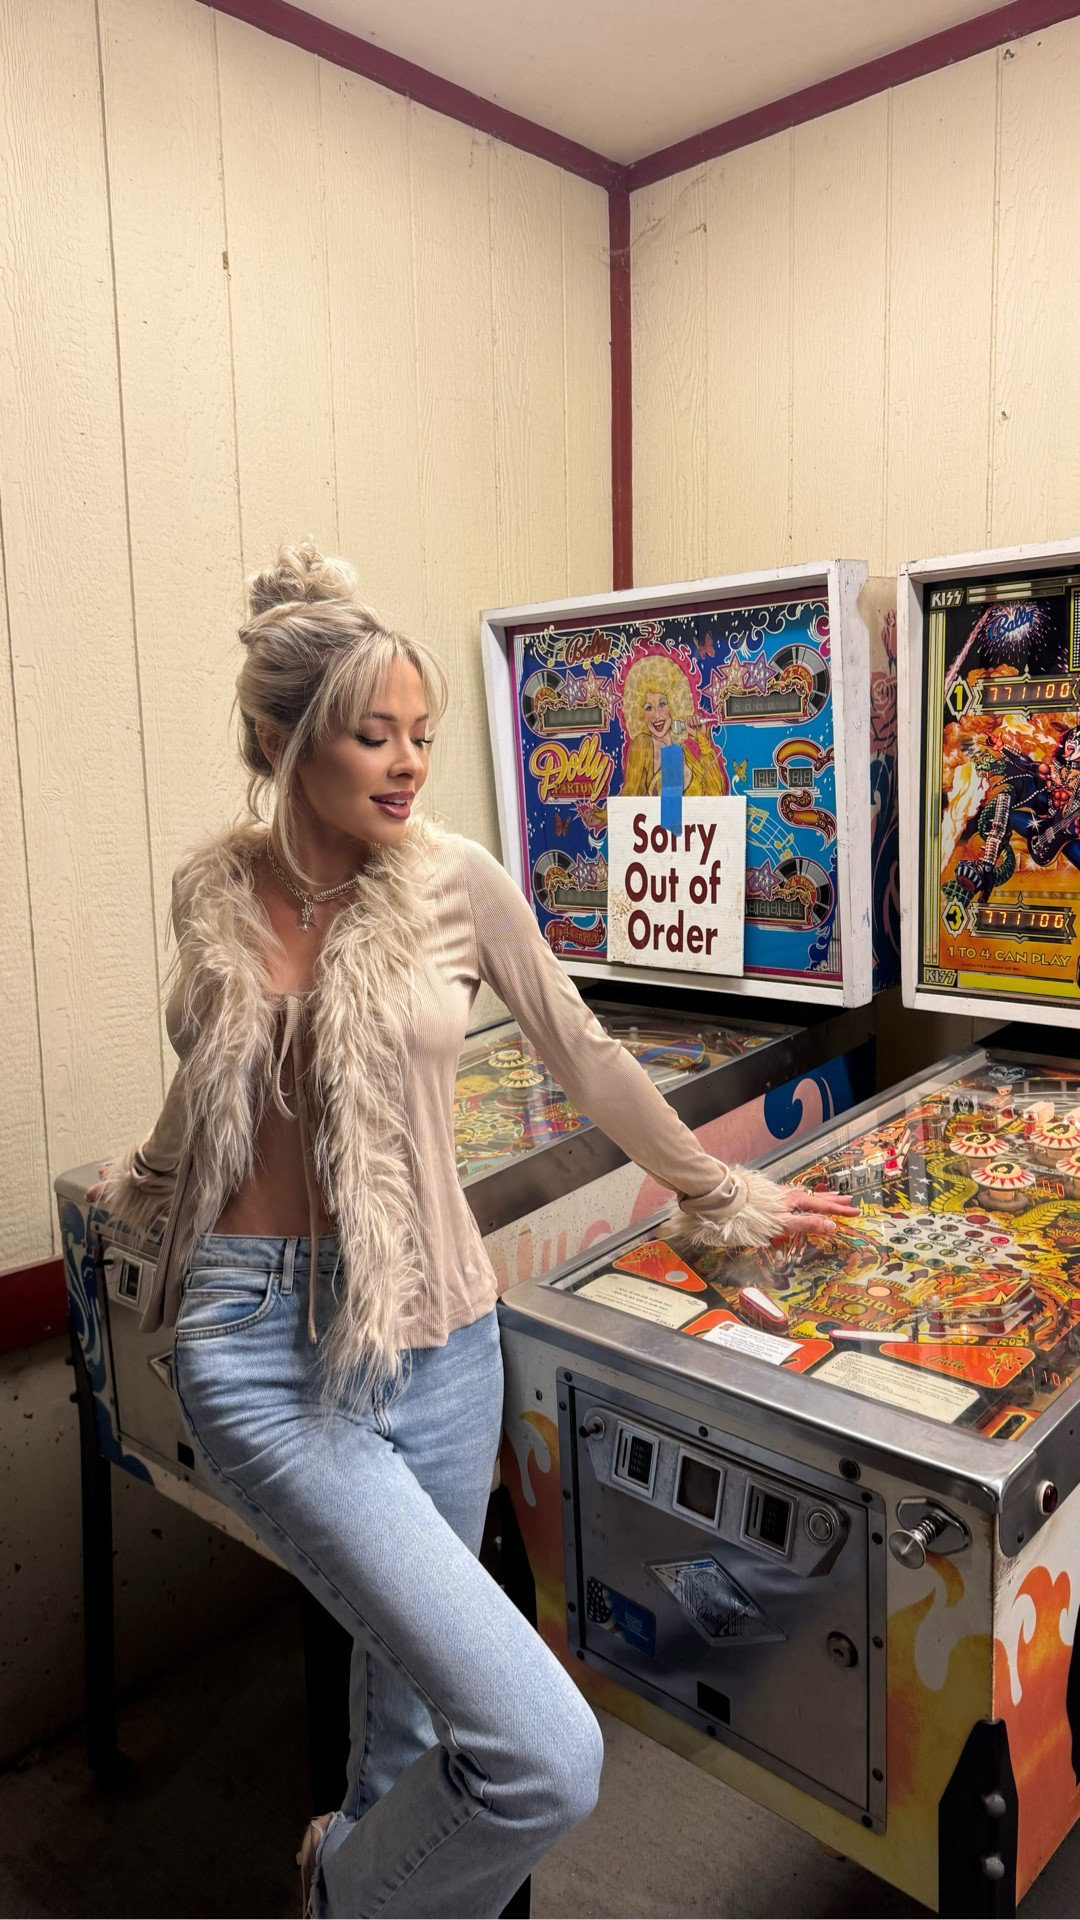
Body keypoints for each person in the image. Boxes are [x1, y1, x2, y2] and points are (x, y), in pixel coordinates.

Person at [96, 544, 855, 1919]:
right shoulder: (216, 896)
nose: (406, 763)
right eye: (371, 734)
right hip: (259, 1346)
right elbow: (213, 1092)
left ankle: (355, 1861)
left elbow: (593, 1060)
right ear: (281, 739)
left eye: (422, 735)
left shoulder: (459, 881)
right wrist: (138, 1188)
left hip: (441, 1335)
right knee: (540, 1756)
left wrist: (717, 1193)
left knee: (411, 1729)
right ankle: (342, 1899)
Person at [619, 653, 728, 797]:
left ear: (674, 704)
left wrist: (703, 742)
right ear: (640, 713)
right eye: (648, 708)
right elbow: (630, 796)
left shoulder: (683, 751)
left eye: (662, 704)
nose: (656, 715)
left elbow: (715, 794)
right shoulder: (643, 744)